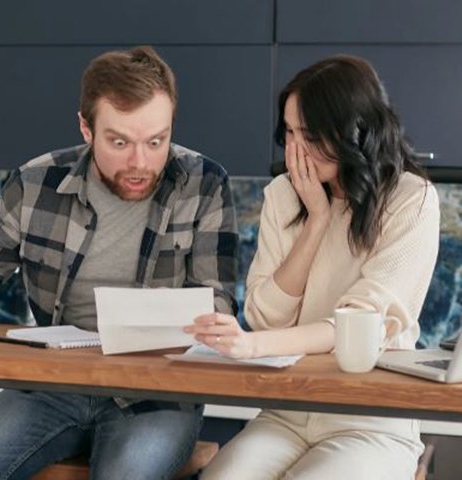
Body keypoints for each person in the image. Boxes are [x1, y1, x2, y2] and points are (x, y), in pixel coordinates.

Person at [0, 45, 238, 480]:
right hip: (53, 385)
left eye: (156, 141)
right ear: (86, 129)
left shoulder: (203, 184)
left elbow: (219, 306)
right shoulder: (36, 183)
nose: (140, 162)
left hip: (157, 394)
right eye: (119, 142)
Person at [185, 55, 440, 479]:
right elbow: (265, 316)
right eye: (289, 131)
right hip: (288, 411)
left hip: (370, 420)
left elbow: (360, 325)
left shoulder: (412, 201)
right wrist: (316, 220)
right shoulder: (284, 196)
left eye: (311, 133)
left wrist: (250, 347)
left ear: (355, 129)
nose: (295, 149)